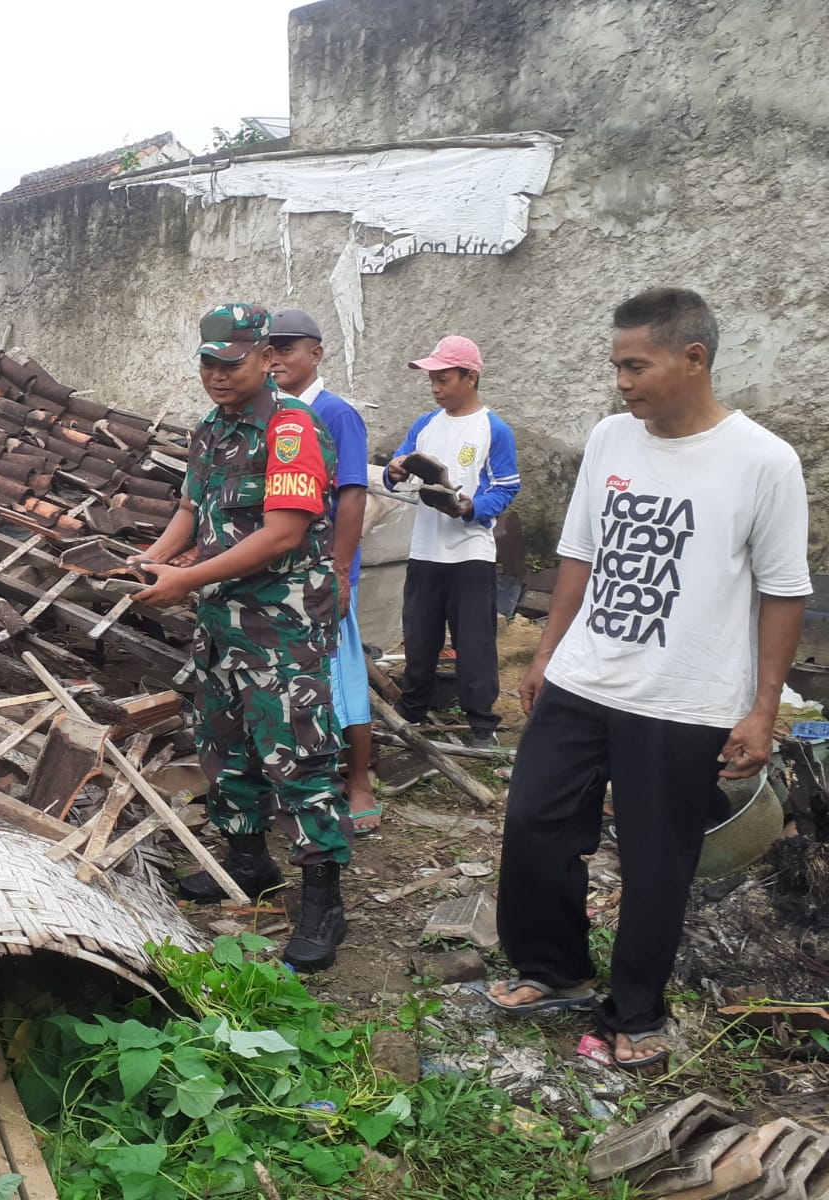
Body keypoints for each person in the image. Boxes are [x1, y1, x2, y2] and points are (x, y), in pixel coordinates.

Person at [489, 288, 809, 1070]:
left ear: (692, 358)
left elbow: (784, 592)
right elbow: (580, 555)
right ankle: (553, 970)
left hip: (685, 695)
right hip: (587, 677)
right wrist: (546, 654)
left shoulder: (763, 461)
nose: (623, 382)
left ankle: (637, 1009)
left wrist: (762, 709)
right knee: (535, 823)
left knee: (655, 859)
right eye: (617, 366)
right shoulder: (610, 440)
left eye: (637, 365)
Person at [133, 303, 349, 972]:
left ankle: (323, 898)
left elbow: (283, 532)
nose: (217, 375)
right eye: (207, 362)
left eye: (231, 363)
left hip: (281, 622)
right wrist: (155, 558)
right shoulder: (210, 430)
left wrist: (185, 579)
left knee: (297, 753)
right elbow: (192, 512)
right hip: (223, 619)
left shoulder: (290, 428)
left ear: (265, 359)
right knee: (224, 741)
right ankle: (248, 859)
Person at [266, 308, 379, 837]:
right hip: (276, 576)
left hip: (321, 573)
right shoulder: (271, 414)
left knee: (343, 680)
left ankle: (359, 783)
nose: (278, 358)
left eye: (289, 348)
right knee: (293, 684)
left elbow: (352, 492)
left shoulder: (334, 414)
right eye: (271, 349)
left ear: (316, 353)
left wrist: (340, 570)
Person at [384, 335, 520, 748]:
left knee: (473, 641)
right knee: (419, 635)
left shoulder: (492, 429)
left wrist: (471, 507)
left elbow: (507, 487)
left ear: (471, 377)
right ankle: (412, 712)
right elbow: (397, 466)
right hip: (425, 548)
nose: (435, 388)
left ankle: (482, 724)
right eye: (433, 380)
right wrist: (395, 469)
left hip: (470, 553)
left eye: (443, 379)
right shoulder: (425, 425)